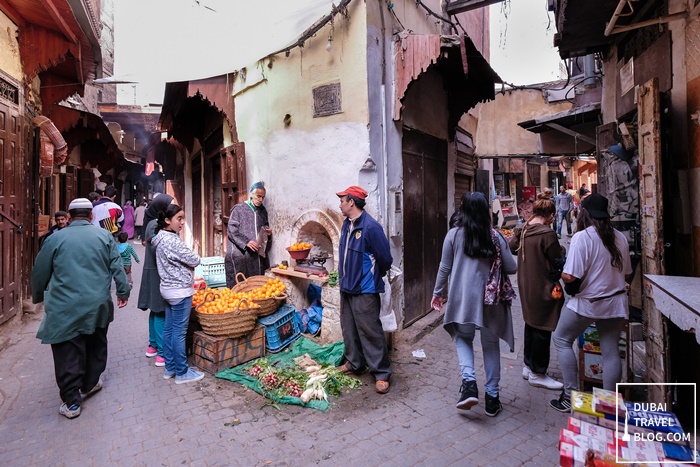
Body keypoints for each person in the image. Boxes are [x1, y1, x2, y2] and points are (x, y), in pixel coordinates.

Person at [31, 198, 129, 419]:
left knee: (67, 350)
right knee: (96, 343)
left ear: (70, 215)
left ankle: (72, 402)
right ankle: (90, 383)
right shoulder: (104, 236)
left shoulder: (55, 238)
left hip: (64, 306)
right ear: (92, 216)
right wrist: (123, 292)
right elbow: (117, 267)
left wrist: (38, 296)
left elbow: (40, 272)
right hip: (97, 303)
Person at [431, 192, 517, 417]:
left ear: (464, 210)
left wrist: (437, 293)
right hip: (490, 302)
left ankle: (469, 384)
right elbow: (512, 267)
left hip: (463, 302)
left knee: (463, 338)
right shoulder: (496, 236)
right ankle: (492, 397)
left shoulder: (453, 235)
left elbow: (444, 268)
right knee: (490, 346)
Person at [549, 194, 633, 412]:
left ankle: (569, 396)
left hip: (588, 303)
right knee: (610, 351)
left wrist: (562, 271)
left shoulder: (583, 238)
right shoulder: (620, 238)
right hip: (615, 302)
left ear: (584, 213)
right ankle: (608, 406)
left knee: (561, 339)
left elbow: (570, 276)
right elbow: (628, 273)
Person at [335, 185, 393, 394]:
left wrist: (374, 276)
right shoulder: (346, 225)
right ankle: (354, 363)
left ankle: (381, 373)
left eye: (342, 200)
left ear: (352, 202)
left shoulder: (371, 227)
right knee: (349, 328)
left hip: (364, 288)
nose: (340, 204)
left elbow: (385, 258)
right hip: (347, 286)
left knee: (370, 330)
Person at [508, 197, 565, 391]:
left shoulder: (524, 229)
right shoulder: (547, 234)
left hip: (526, 285)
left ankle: (528, 365)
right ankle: (538, 372)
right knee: (542, 326)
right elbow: (557, 259)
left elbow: (511, 247)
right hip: (543, 286)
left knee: (531, 323)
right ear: (549, 215)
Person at [152, 204, 203, 384]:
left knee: (169, 329)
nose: (182, 222)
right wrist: (194, 255)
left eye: (183, 218)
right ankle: (182, 372)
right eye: (178, 219)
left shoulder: (159, 238)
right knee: (179, 333)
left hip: (167, 289)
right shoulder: (172, 241)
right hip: (179, 291)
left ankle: (170, 367)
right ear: (167, 221)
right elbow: (195, 259)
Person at [137, 193, 174, 367]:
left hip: (153, 270)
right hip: (157, 272)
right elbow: (158, 250)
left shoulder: (152, 223)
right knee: (160, 310)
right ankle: (162, 352)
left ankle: (152, 346)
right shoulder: (155, 225)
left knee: (155, 310)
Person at [224, 181, 272, 286]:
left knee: (254, 286)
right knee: (239, 284)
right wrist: (246, 242)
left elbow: (265, 227)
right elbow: (232, 230)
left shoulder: (263, 211)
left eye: (263, 197)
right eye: (258, 196)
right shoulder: (239, 209)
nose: (261, 200)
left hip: (255, 254)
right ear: (251, 195)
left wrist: (267, 233)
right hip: (240, 253)